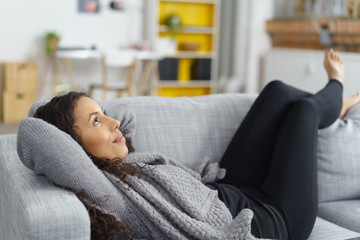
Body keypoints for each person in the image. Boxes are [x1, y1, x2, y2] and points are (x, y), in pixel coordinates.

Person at [30, 49, 359, 240]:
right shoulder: (103, 189)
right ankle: (337, 88)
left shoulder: (121, 162)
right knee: (304, 110)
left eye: (104, 113)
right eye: (96, 121)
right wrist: (53, 118)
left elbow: (121, 120)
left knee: (276, 92)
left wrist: (98, 119)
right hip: (272, 220)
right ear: (70, 145)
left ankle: (331, 109)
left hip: (230, 187)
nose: (113, 122)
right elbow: (33, 131)